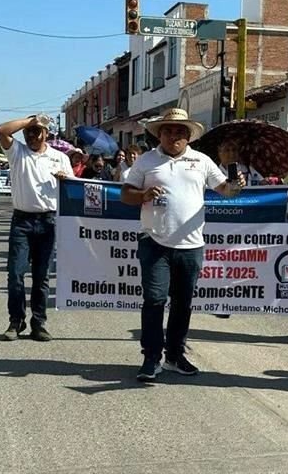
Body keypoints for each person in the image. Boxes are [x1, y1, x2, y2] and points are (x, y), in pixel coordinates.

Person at [121, 108, 244, 382]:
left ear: (188, 136)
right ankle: (151, 358)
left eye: (179, 131)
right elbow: (125, 195)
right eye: (168, 130)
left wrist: (235, 178)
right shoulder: (145, 161)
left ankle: (174, 355)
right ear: (159, 134)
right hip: (154, 242)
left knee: (182, 303)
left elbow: (228, 190)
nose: (173, 135)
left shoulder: (202, 161)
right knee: (154, 300)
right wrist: (143, 194)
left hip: (191, 245)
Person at [0, 114, 74, 341]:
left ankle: (38, 323)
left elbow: (71, 191)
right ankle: (15, 321)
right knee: (16, 274)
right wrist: (31, 120)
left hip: (48, 221)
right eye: (28, 132)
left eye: (37, 131)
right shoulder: (17, 152)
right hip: (22, 221)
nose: (32, 135)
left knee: (42, 277)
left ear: (47, 134)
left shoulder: (60, 157)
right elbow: (1, 130)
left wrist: (64, 181)